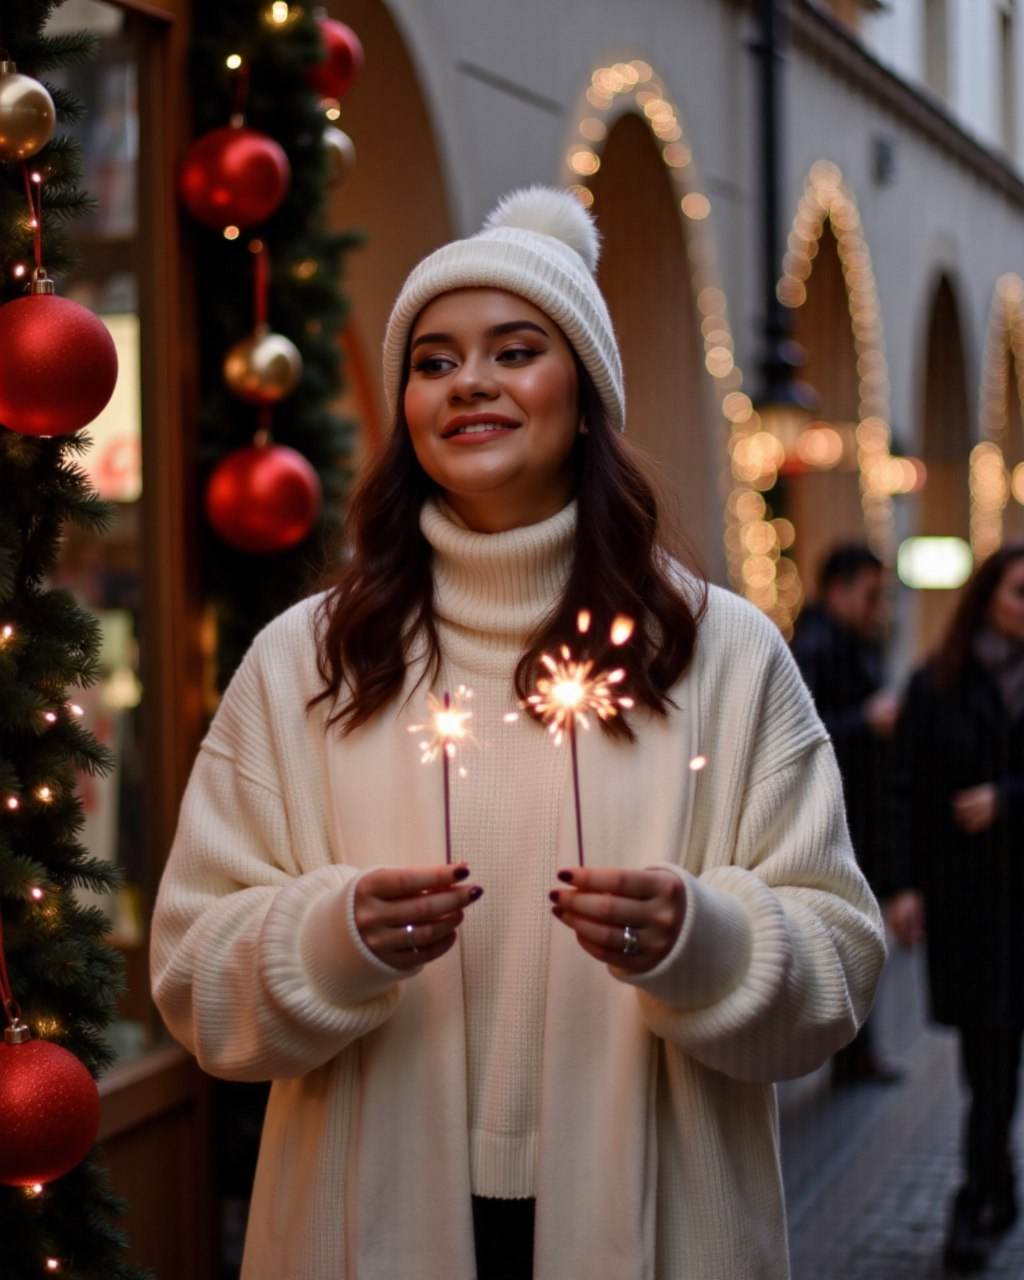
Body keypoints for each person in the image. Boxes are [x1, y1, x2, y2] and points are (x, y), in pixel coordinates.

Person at [150, 186, 885, 1279]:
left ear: (584, 394)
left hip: (664, 1223)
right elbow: (190, 976)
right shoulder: (307, 659)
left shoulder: (720, 654)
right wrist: (330, 936)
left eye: (513, 349)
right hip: (363, 1228)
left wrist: (704, 939)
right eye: (434, 360)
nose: (471, 384)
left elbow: (837, 966)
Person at [890, 542, 1024, 1274]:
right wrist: (903, 886)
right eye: (1019, 592)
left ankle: (985, 1193)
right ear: (987, 598)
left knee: (999, 1059)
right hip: (969, 900)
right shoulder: (935, 682)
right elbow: (905, 785)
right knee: (988, 1058)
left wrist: (1008, 799)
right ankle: (984, 1192)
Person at [790, 543, 901, 1085]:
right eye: (870, 593)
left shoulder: (852, 641)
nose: (877, 606)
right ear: (838, 589)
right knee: (848, 930)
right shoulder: (815, 645)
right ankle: (847, 1052)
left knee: (857, 929)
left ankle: (855, 1053)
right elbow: (803, 737)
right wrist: (867, 719)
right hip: (840, 813)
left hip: (860, 809)